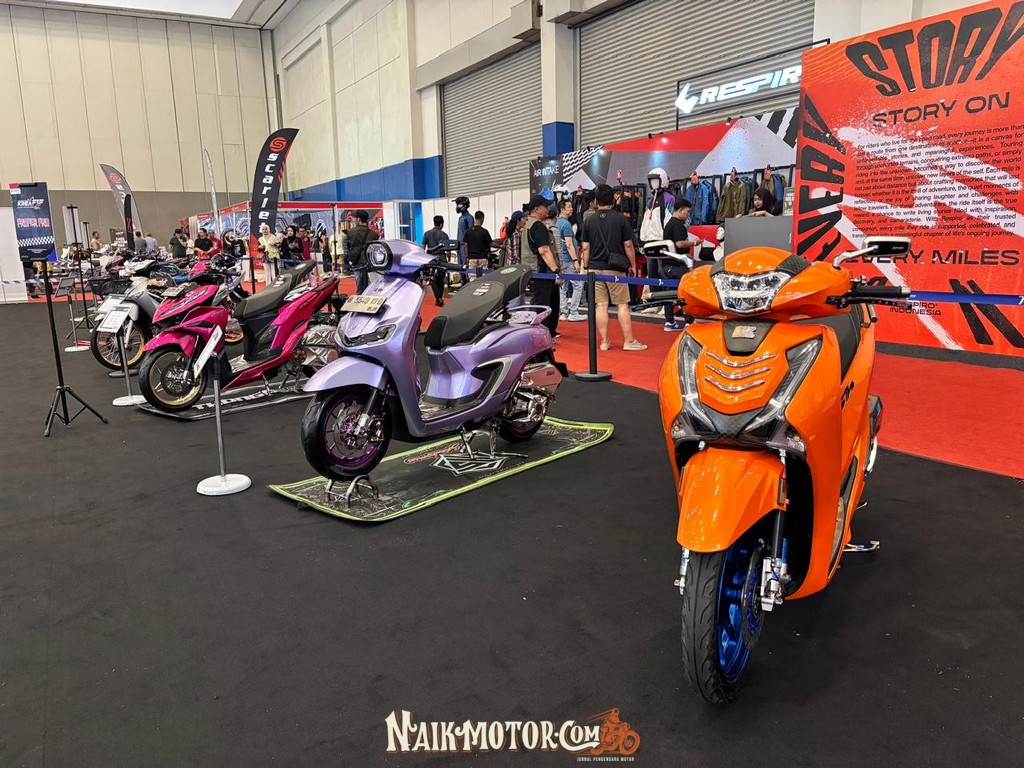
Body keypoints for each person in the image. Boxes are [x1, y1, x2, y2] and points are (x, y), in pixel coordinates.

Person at [580, 184, 646, 352]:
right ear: (612, 199)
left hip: (594, 269)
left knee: (600, 305)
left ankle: (604, 341)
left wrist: (586, 267)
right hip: (615, 269)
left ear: (596, 200)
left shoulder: (589, 221)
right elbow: (628, 245)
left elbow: (585, 248)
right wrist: (632, 265)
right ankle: (629, 340)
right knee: (622, 304)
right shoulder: (620, 219)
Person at [520, 195, 562, 336]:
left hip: (534, 271)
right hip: (543, 272)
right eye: (545, 207)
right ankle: (541, 334)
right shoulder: (538, 226)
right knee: (545, 306)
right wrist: (556, 271)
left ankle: (546, 332)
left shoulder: (527, 225)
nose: (548, 209)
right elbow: (544, 250)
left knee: (541, 303)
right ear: (537, 209)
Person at [660, 199, 696, 332]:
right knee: (685, 292)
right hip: (677, 265)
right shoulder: (678, 225)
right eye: (687, 211)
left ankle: (669, 321)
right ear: (680, 210)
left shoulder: (669, 223)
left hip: (666, 265)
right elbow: (680, 243)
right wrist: (694, 243)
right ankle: (689, 321)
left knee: (669, 293)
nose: (688, 214)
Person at [555, 199, 586, 322]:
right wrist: (575, 260)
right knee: (577, 285)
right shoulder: (566, 225)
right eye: (568, 207)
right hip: (568, 259)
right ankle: (573, 312)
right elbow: (569, 244)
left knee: (563, 287)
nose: (571, 209)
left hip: (560, 260)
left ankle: (564, 312)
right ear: (562, 209)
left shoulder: (557, 223)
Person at [345, 209, 378, 294]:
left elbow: (348, 248)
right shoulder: (374, 235)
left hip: (357, 262)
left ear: (358, 219)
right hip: (370, 264)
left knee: (359, 288)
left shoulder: (351, 233)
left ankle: (359, 300)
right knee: (371, 289)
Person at [421, 215, 450, 306]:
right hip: (442, 259)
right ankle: (439, 298)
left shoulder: (427, 234)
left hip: (431, 259)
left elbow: (423, 247)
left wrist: (423, 257)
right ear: (441, 224)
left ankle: (438, 298)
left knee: (433, 278)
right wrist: (448, 259)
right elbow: (448, 250)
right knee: (441, 279)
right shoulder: (444, 235)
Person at [463, 210, 493, 278]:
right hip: (483, 258)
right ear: (482, 218)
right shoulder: (484, 231)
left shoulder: (468, 231)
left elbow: (465, 245)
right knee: (484, 278)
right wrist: (501, 246)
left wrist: (467, 257)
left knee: (472, 278)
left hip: (472, 259)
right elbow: (491, 243)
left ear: (475, 218)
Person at [454, 196, 473, 268]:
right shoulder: (461, 218)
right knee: (460, 266)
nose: (458, 206)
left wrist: (467, 247)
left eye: (459, 204)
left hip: (465, 245)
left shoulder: (469, 217)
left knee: (465, 266)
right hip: (459, 245)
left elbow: (470, 233)